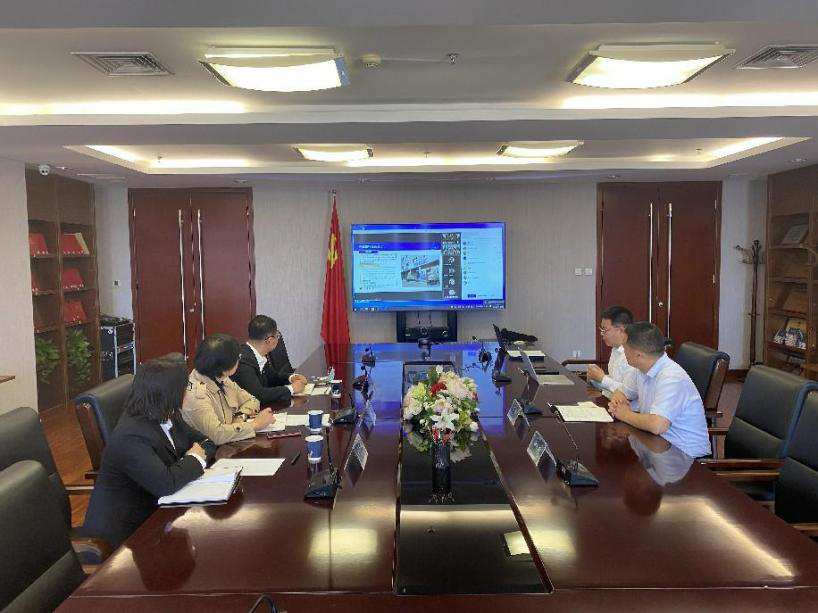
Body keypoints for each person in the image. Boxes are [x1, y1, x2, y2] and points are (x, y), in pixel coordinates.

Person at [83, 357, 216, 549]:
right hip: (123, 537)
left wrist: (191, 460)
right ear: (170, 393)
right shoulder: (130, 437)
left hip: (157, 515)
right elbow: (165, 484)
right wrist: (194, 458)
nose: (189, 391)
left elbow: (206, 442)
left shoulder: (169, 414)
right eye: (186, 387)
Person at [608, 322, 711, 458]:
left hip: (686, 456)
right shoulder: (641, 368)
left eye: (625, 347)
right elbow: (621, 391)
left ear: (638, 355)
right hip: (657, 446)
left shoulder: (671, 377)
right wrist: (618, 401)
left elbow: (657, 425)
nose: (623, 351)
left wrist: (625, 414)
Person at [181, 334, 275, 445]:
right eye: (238, 357)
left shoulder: (220, 377)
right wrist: (255, 424)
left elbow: (252, 400)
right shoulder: (196, 395)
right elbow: (216, 435)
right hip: (209, 452)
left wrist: (240, 417)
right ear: (224, 365)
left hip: (230, 444)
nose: (239, 360)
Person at [232, 315, 307, 404]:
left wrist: (291, 378)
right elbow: (258, 395)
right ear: (270, 340)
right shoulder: (243, 361)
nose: (278, 338)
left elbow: (273, 377)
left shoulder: (257, 354)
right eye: (277, 335)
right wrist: (291, 389)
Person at [586, 305, 637, 398]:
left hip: (628, 406)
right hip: (613, 401)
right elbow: (615, 379)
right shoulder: (615, 349)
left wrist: (602, 378)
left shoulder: (633, 353)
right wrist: (596, 380)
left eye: (604, 329)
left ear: (621, 330)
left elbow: (630, 393)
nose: (601, 333)